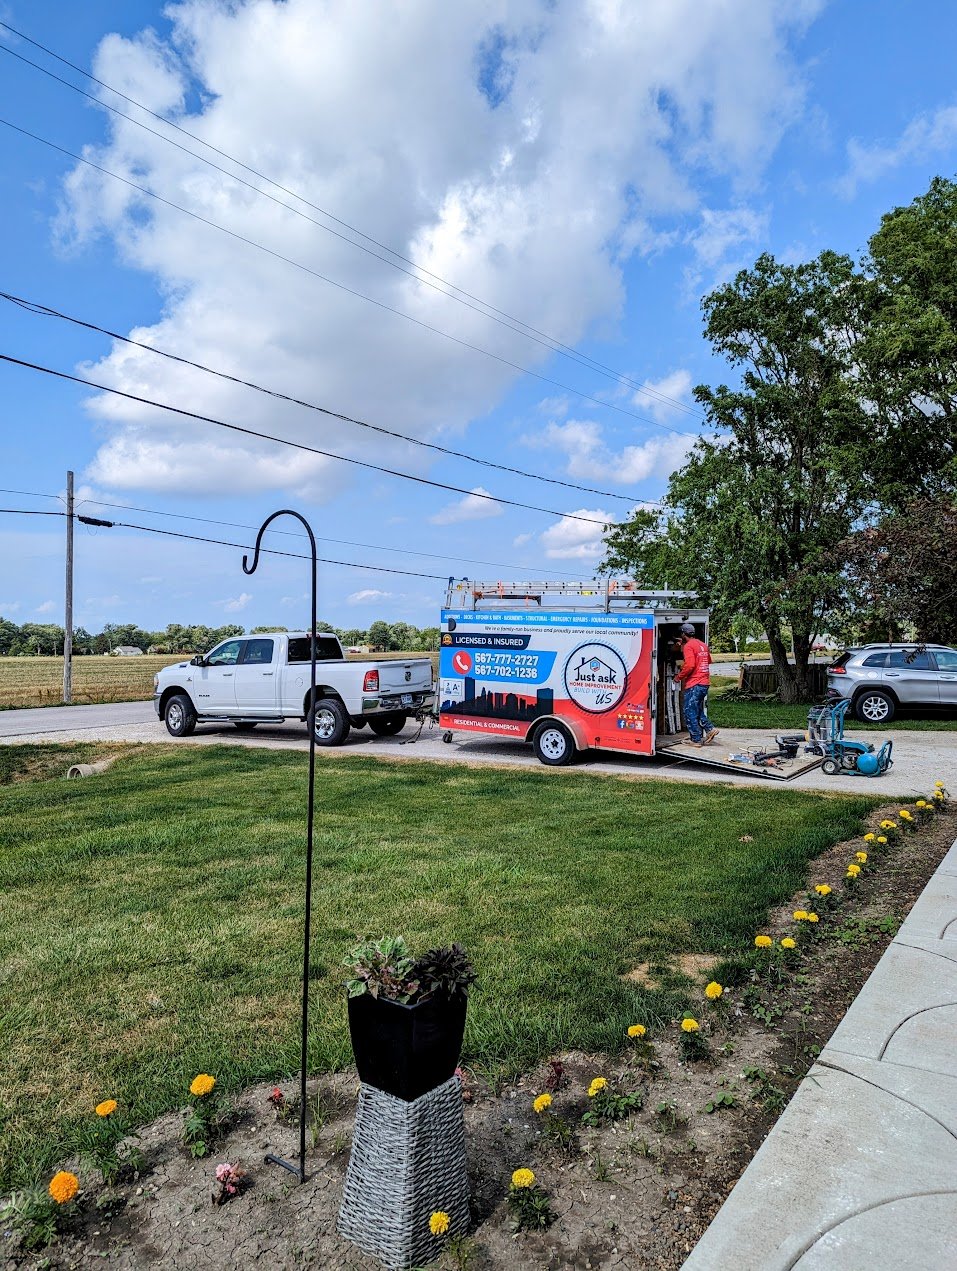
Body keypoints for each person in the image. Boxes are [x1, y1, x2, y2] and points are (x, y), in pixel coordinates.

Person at [676, 622, 718, 747]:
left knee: (689, 711)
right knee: (697, 709)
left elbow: (690, 665)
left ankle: (695, 739)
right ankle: (710, 729)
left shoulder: (689, 646)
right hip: (704, 683)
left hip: (695, 683)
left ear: (683, 634)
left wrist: (679, 677)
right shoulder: (702, 645)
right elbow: (708, 660)